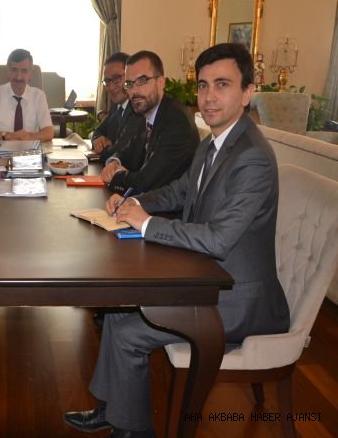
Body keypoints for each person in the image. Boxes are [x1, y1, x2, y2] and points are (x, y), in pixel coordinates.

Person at [64, 43, 290, 438]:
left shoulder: (251, 157)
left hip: (237, 300)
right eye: (203, 85)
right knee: (117, 312)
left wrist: (147, 224)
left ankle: (134, 432)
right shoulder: (214, 143)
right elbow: (179, 192)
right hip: (206, 279)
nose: (209, 96)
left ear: (248, 92)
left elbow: (219, 239)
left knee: (129, 333)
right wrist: (134, 202)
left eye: (222, 84)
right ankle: (113, 411)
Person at [100, 51, 200, 195]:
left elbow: (145, 182)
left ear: (161, 83)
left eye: (142, 81)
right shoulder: (146, 112)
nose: (134, 91)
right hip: (146, 200)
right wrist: (115, 162)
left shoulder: (176, 121)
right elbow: (129, 151)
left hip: (168, 205)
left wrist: (118, 175)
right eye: (129, 84)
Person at [0, 49, 54, 141]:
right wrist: (8, 135)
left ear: (30, 74)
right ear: (8, 72)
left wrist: (29, 137)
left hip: (30, 148)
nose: (19, 77)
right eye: (14, 70)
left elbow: (49, 132)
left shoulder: (38, 96)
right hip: (2, 149)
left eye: (24, 71)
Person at [91, 52, 146, 164]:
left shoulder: (138, 107)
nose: (111, 87)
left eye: (116, 78)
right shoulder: (116, 105)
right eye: (107, 81)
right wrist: (98, 139)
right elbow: (98, 131)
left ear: (130, 77)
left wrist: (105, 147)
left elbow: (120, 151)